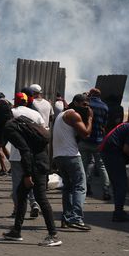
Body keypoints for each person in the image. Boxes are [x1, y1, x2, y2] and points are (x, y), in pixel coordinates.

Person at [2, 95, 61, 247]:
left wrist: (28, 174)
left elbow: (25, 151)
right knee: (21, 194)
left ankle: (53, 235)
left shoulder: (10, 127)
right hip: (40, 159)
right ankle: (16, 231)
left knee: (40, 197)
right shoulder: (20, 120)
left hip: (37, 163)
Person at [52, 94, 93, 231]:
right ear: (76, 103)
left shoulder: (62, 115)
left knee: (68, 188)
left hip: (59, 156)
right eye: (84, 105)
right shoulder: (73, 115)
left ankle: (67, 217)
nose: (87, 108)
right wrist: (90, 118)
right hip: (71, 156)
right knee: (80, 186)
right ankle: (76, 218)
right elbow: (86, 133)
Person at [9, 92, 42, 218]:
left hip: (17, 155)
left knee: (17, 184)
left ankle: (18, 209)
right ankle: (34, 204)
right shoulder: (36, 114)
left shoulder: (13, 113)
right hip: (32, 154)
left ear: (16, 101)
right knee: (31, 181)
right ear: (27, 101)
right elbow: (44, 130)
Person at [82, 88, 111, 201]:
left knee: (85, 164)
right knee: (102, 166)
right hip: (98, 141)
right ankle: (106, 190)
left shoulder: (87, 105)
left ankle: (85, 188)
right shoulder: (105, 106)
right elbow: (104, 125)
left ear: (91, 94)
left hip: (85, 140)